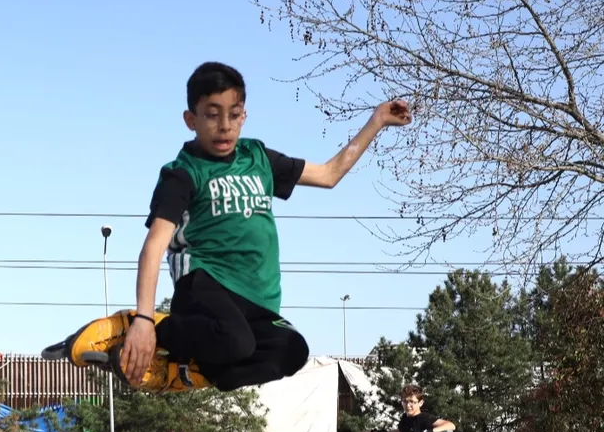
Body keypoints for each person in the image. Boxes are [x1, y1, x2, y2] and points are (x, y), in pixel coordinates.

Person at [113, 61, 413, 393]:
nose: (225, 126)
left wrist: (378, 121)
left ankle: (203, 371)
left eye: (234, 114)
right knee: (236, 342)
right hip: (204, 284)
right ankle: (162, 331)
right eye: (212, 115)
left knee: (293, 350)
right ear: (191, 120)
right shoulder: (183, 173)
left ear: (244, 116)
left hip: (255, 297)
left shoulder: (258, 158)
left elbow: (329, 175)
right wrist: (143, 318)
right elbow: (154, 246)